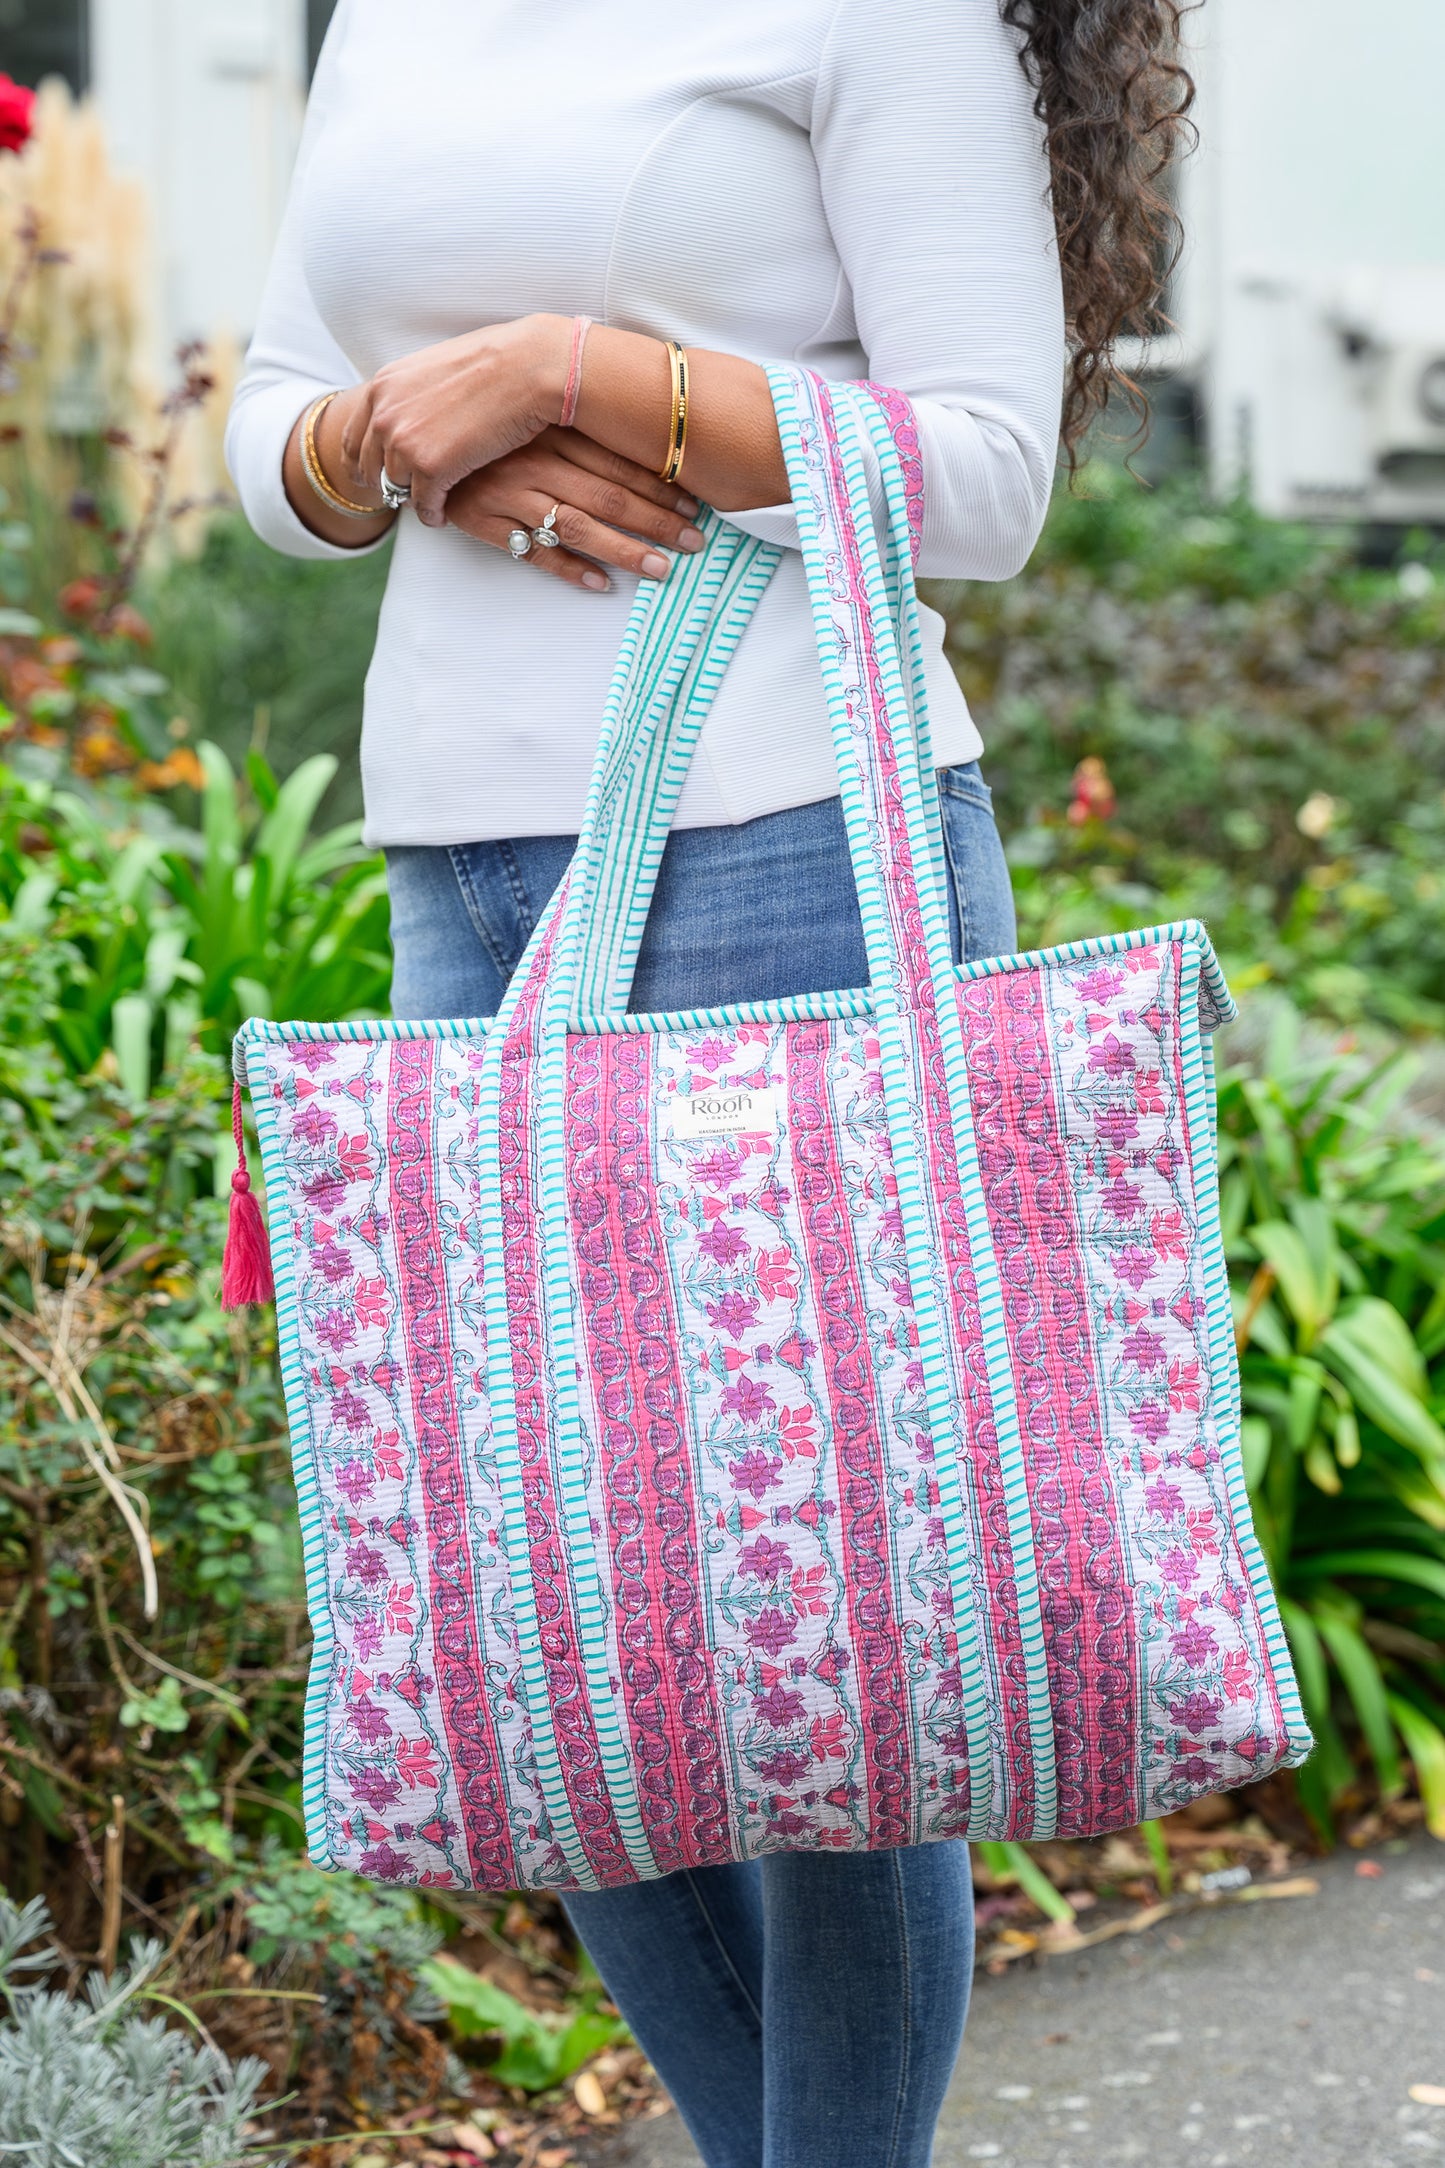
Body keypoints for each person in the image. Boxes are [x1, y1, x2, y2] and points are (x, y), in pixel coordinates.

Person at [226, 4, 1192, 2161]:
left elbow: (987, 477)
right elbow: (273, 424)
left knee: (840, 1613)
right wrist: (404, 438)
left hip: (784, 836)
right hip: (457, 868)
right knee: (534, 1610)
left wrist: (584, 375)